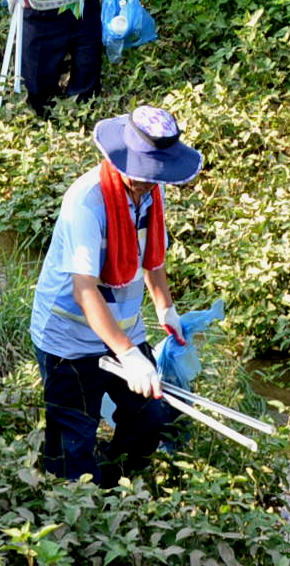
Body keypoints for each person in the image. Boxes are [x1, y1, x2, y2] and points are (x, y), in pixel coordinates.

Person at [29, 105, 200, 486]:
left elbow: (152, 257)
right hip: (68, 340)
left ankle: (114, 484)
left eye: (154, 174)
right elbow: (85, 290)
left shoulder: (152, 192)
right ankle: (71, 507)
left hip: (124, 330)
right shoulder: (87, 201)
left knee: (151, 416)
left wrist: (165, 308)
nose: (146, 181)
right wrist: (126, 355)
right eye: (141, 172)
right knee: (73, 438)